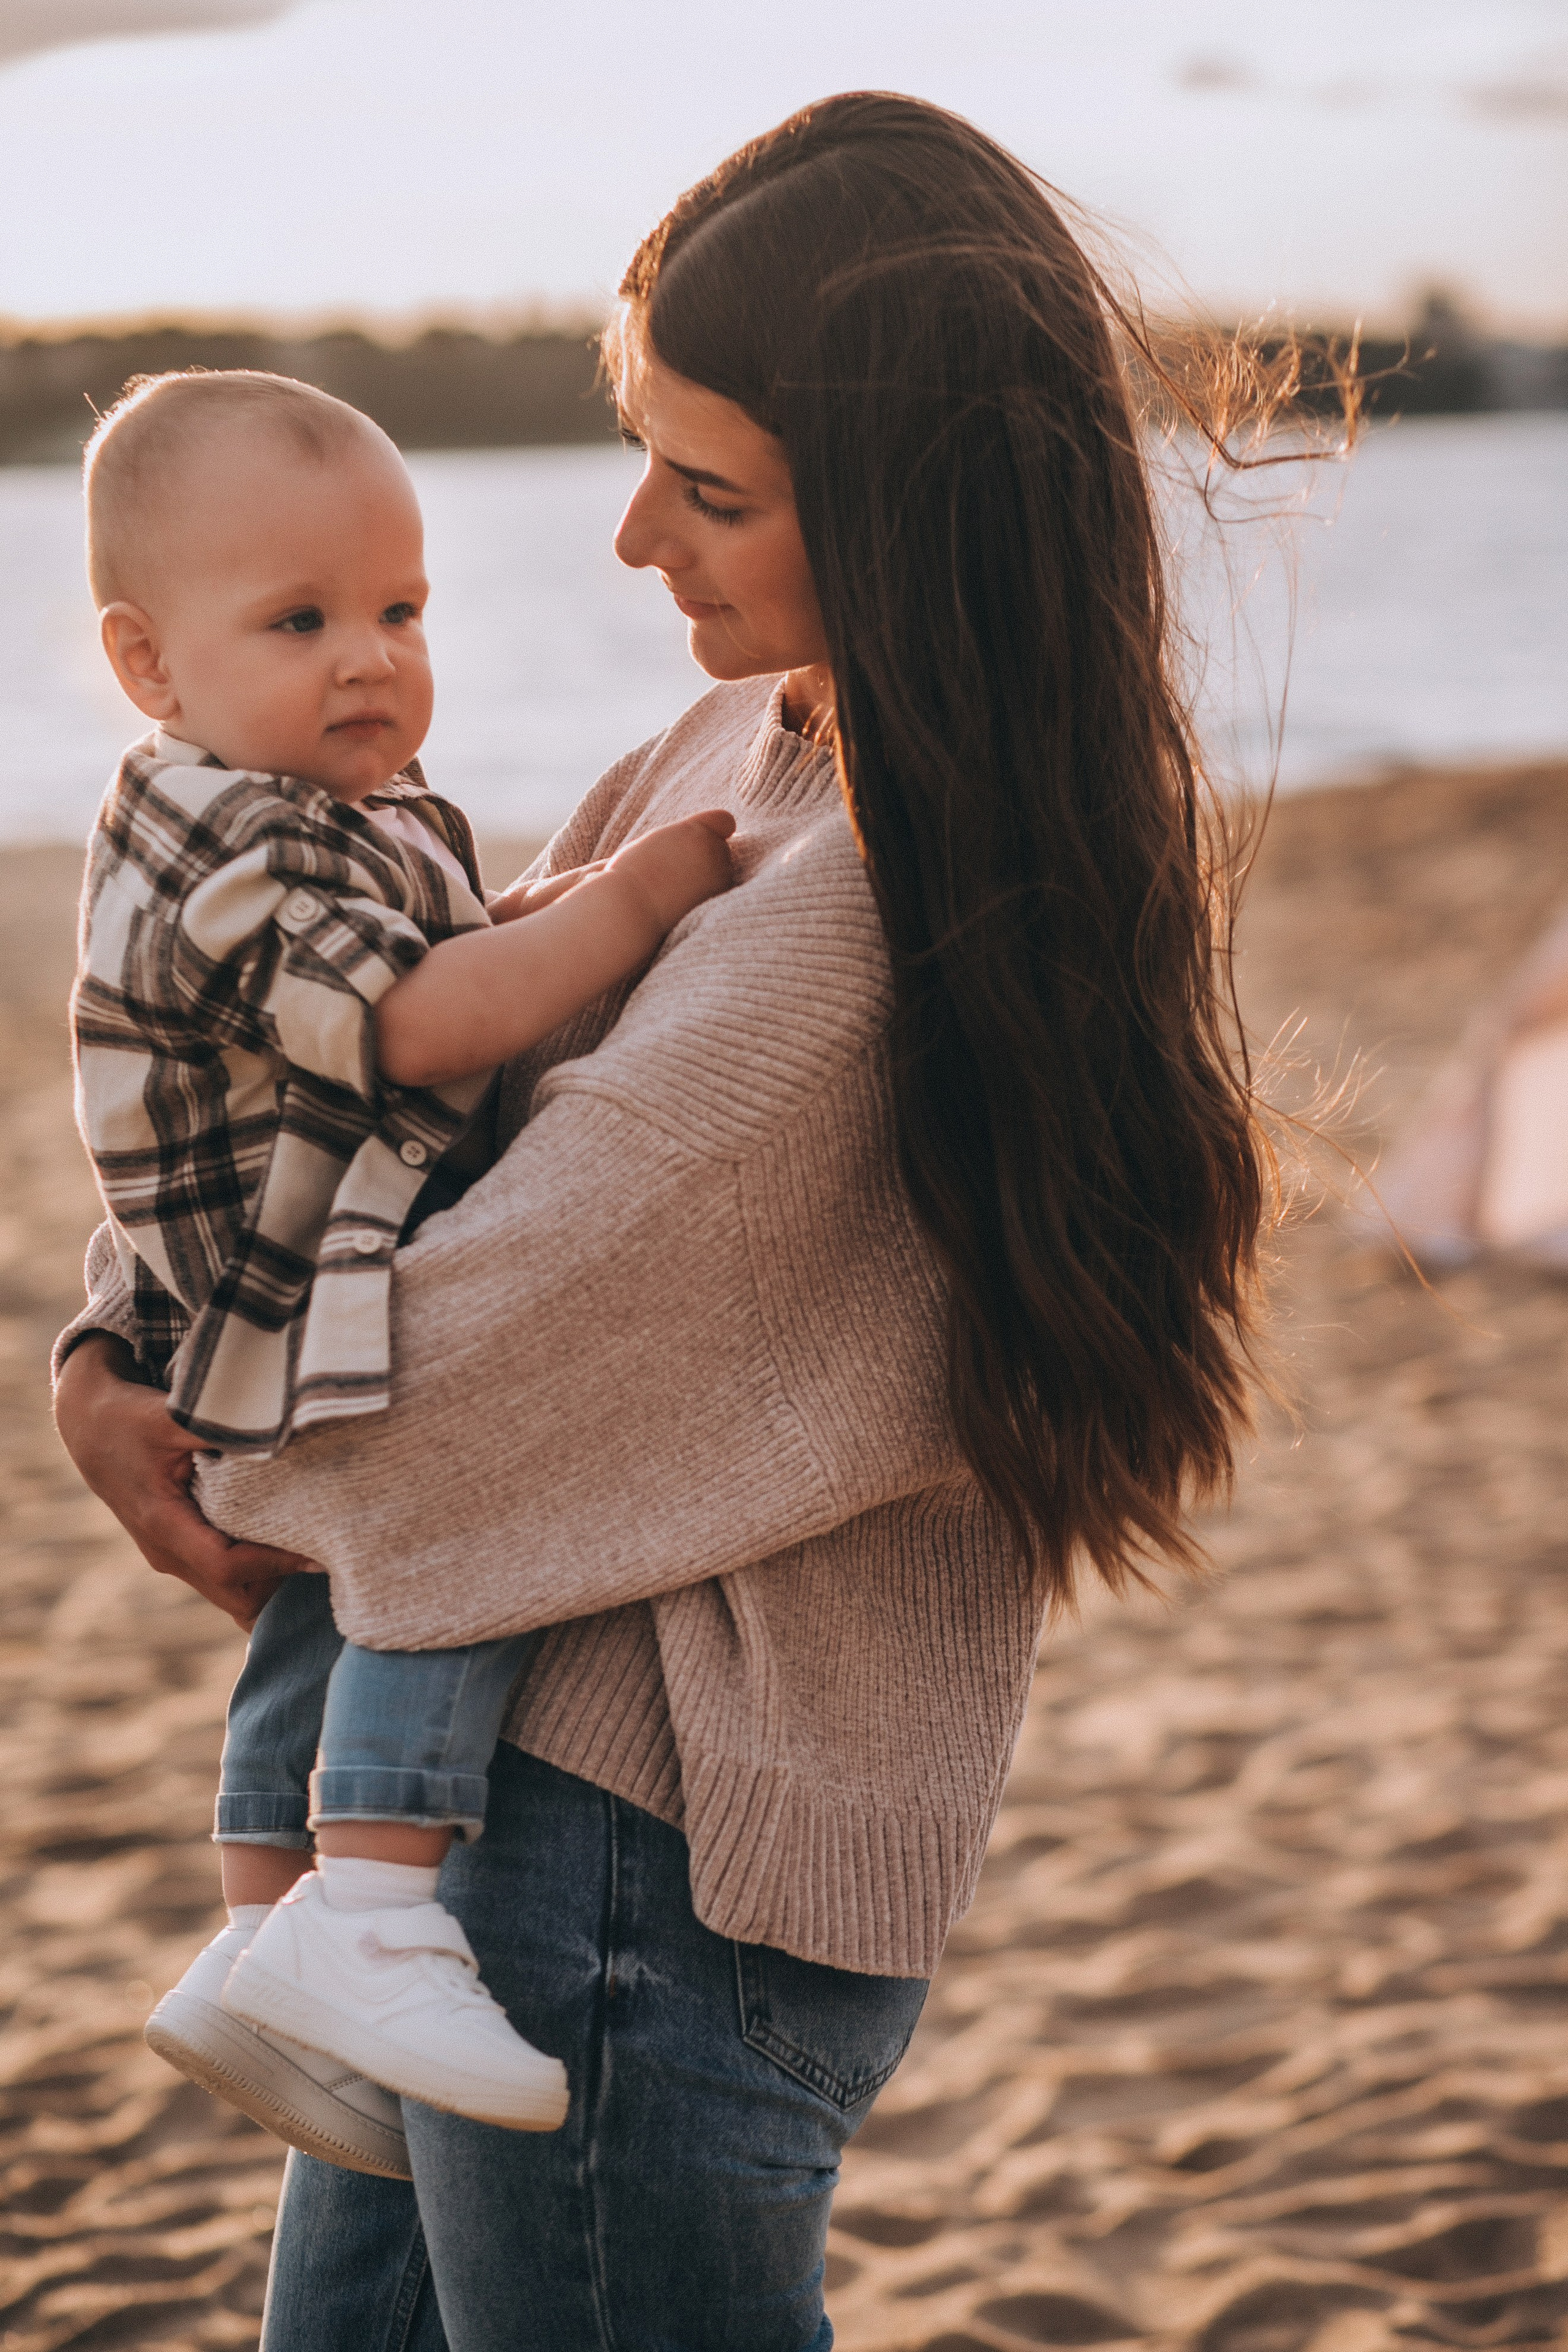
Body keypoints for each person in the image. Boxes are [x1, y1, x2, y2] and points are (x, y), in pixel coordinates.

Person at [55, 93, 1273, 2352]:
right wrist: (104, 1347)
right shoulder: (726, 764)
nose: (630, 540)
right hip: (514, 1830)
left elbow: (441, 1378)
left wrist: (187, 1439)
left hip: (641, 1868)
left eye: (707, 490)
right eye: (643, 457)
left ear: (901, 507)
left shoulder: (857, 921)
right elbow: (371, 1106)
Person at [70, 370, 735, 2155]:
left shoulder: (308, 805)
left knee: (322, 1587)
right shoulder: (235, 838)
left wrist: (537, 913)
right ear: (147, 663)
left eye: (402, 609)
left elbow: (427, 950)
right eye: (301, 621)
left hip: (264, 1290)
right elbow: (422, 1023)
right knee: (455, 1519)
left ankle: (264, 1927)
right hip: (306, 1287)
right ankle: (367, 1902)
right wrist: (633, 905)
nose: (370, 658)